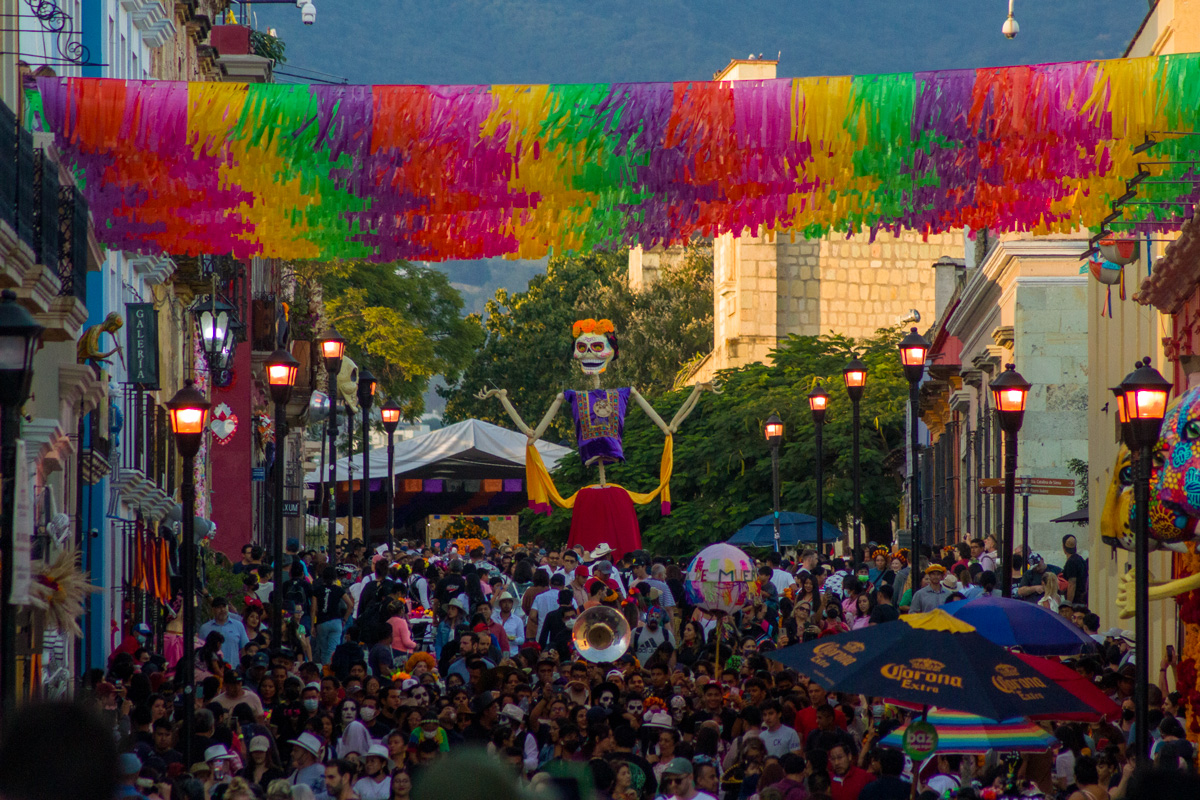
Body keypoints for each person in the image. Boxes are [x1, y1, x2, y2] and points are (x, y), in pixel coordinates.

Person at [314, 566, 355, 663]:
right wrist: (344, 619)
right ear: (334, 577)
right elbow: (350, 605)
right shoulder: (339, 589)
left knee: (323, 650)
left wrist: (313, 624)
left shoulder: (317, 590)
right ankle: (331, 670)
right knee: (333, 649)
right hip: (336, 621)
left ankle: (325, 670)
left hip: (321, 621)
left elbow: (313, 609)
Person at [198, 597, 250, 668]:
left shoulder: (238, 625)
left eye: (224, 607)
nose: (222, 610)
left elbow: (244, 648)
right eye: (218, 607)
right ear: (213, 609)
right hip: (212, 671)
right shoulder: (204, 628)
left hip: (233, 670)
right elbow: (200, 651)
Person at [1062, 534, 1088, 605]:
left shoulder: (1071, 562)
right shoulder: (1080, 559)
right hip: (1083, 599)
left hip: (1075, 601)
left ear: (1063, 547)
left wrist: (1068, 604)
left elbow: (1072, 584)